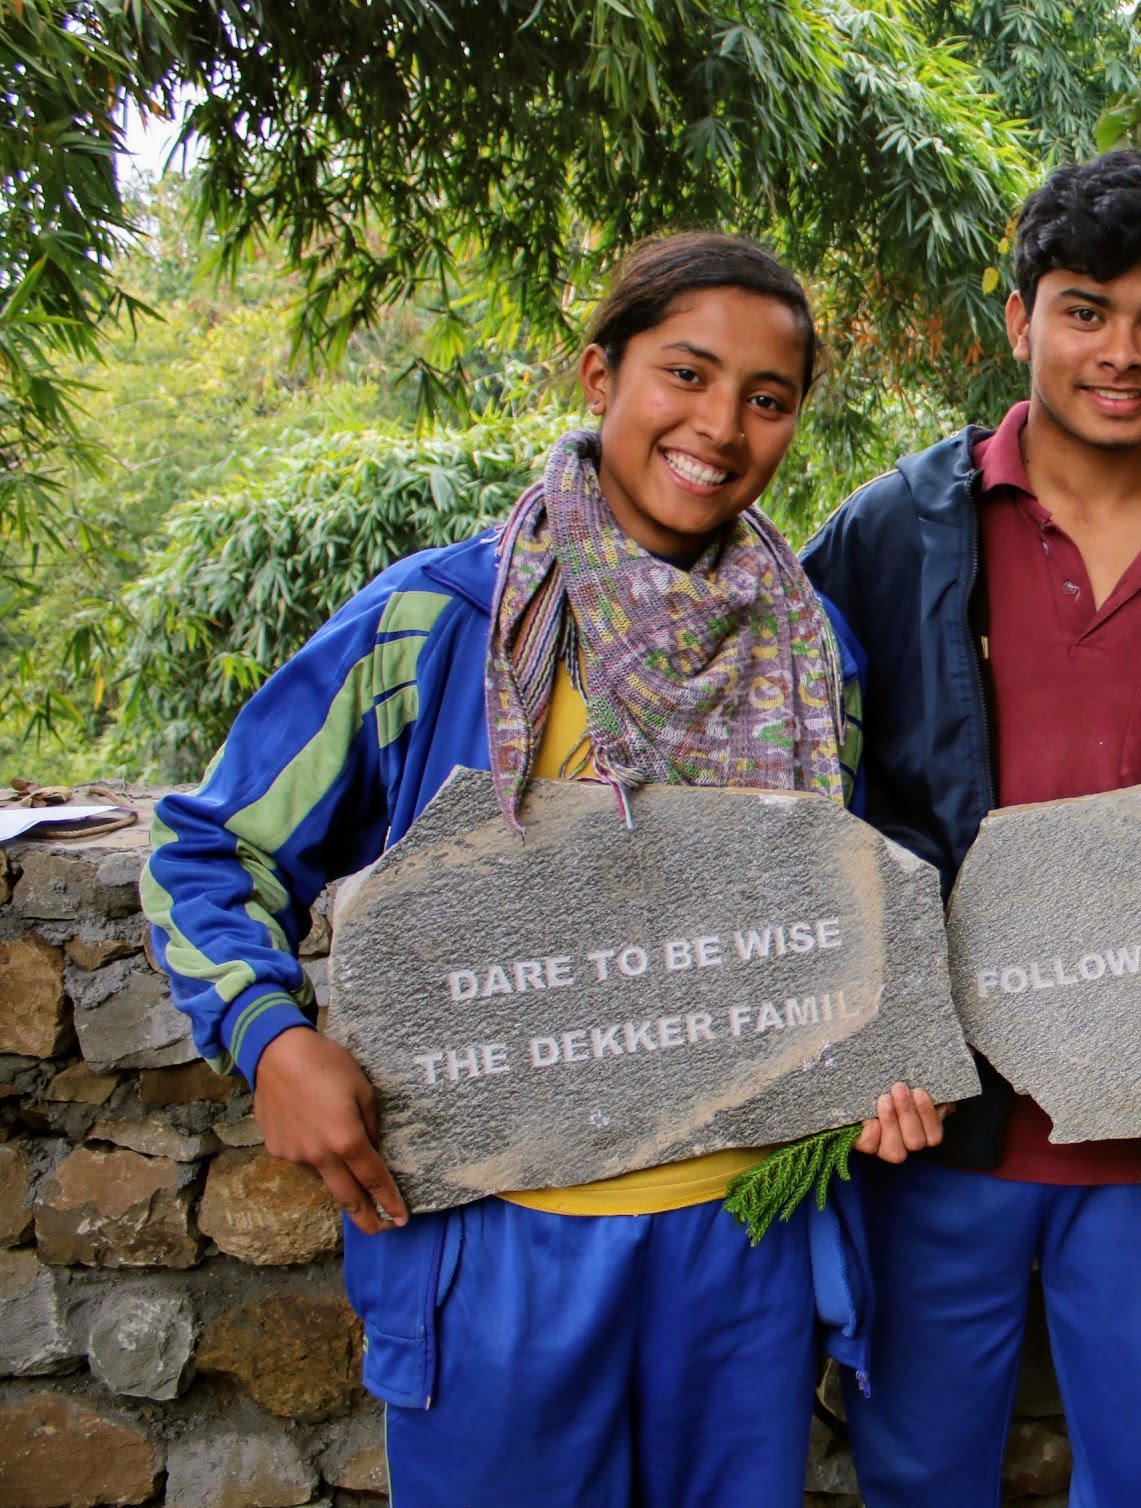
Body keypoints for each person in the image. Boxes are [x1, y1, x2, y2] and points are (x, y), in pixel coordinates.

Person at [142, 233, 944, 1507]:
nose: (721, 425)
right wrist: (269, 1038)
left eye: (768, 399)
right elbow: (208, 848)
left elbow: (836, 907)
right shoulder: (444, 624)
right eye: (685, 374)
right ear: (599, 376)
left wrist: (879, 1055)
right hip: (503, 1235)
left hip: (739, 1242)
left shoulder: (812, 654)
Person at [800, 149, 1141, 1507]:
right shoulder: (895, 533)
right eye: (1084, 309)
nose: (1122, 352)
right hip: (935, 1135)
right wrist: (848, 1040)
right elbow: (800, 801)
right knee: (919, 1472)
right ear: (1020, 320)